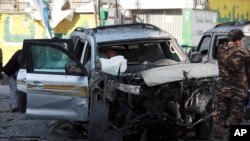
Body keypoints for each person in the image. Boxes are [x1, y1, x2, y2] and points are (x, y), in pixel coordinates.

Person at [212, 29, 250, 140]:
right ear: (238, 40)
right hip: (238, 92)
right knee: (235, 119)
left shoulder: (220, 50)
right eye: (241, 39)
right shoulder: (244, 52)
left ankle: (217, 138)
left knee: (219, 117)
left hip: (223, 90)